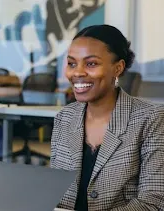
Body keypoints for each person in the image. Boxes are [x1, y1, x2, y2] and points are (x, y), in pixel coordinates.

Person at [50, 24, 164, 210]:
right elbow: (54, 191)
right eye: (72, 63)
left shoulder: (151, 118)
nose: (77, 72)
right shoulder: (64, 117)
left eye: (91, 63)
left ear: (118, 68)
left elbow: (154, 202)